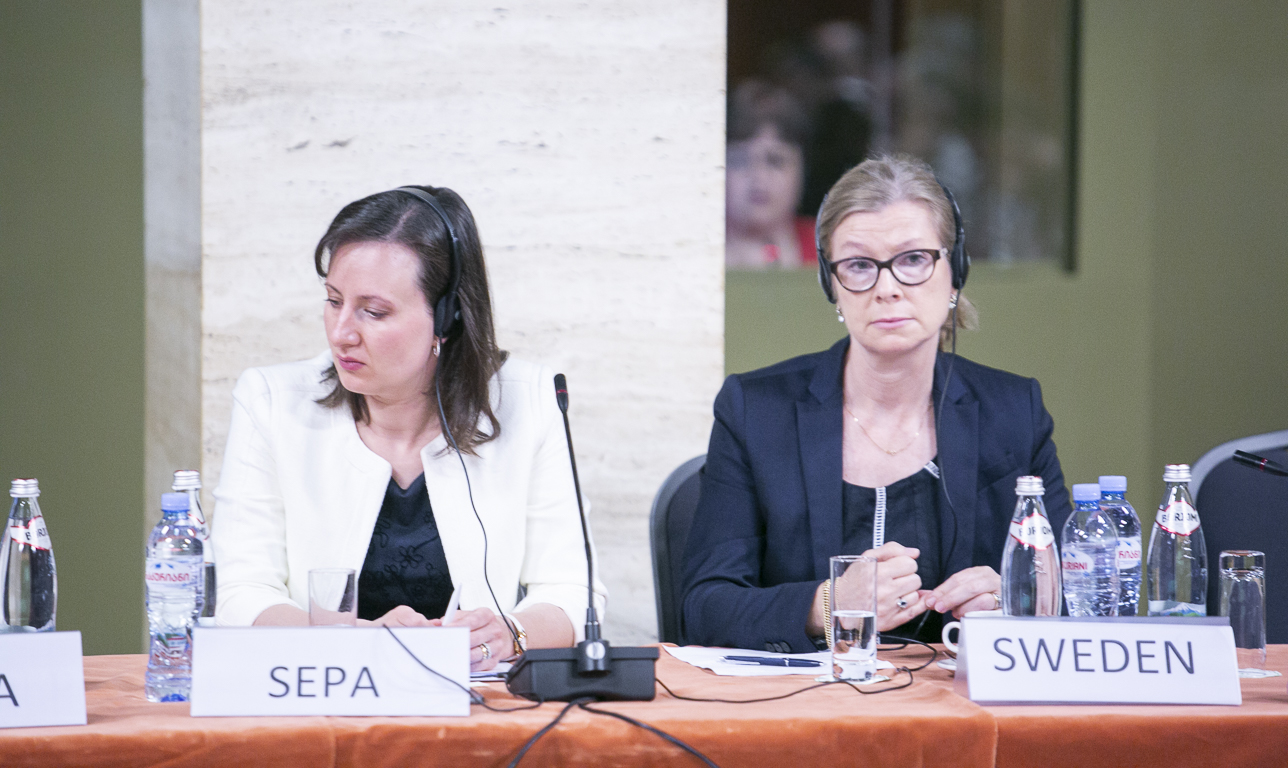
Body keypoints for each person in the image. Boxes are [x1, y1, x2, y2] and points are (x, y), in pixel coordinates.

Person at [682, 155, 1070, 652]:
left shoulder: (1014, 413)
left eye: (913, 260)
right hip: (807, 698)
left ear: (955, 273)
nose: (887, 289)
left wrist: (1016, 602)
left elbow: (1076, 595)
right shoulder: (755, 412)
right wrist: (828, 604)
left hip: (956, 696)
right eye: (860, 266)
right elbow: (703, 608)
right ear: (832, 285)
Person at [210, 185, 605, 671]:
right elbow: (241, 593)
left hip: (477, 700)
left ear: (446, 317)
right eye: (333, 301)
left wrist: (510, 634)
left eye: (373, 312)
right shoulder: (270, 401)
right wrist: (353, 640)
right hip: (319, 690)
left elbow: (573, 591)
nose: (341, 333)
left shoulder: (532, 400)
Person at [724, 80, 817, 270]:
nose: (758, 177)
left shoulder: (833, 248)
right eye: (740, 161)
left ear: (802, 168)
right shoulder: (691, 249)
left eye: (775, 161)